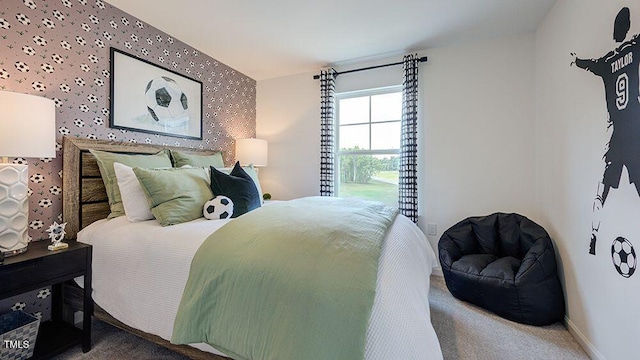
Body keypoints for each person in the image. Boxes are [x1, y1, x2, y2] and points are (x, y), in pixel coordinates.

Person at [572, 7, 640, 255]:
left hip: (616, 134)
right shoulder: (634, 48)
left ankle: (593, 237)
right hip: (634, 133)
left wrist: (576, 60)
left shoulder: (607, 62)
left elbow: (588, 64)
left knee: (603, 189)